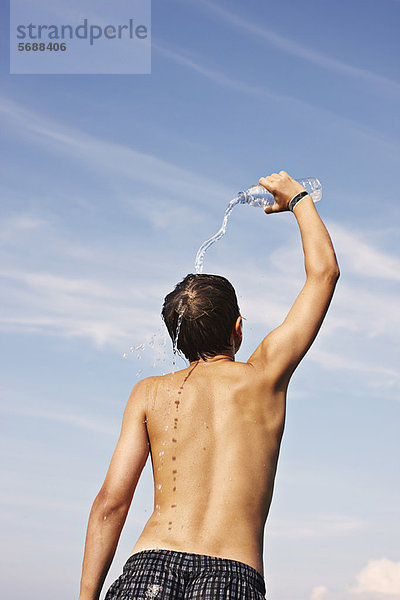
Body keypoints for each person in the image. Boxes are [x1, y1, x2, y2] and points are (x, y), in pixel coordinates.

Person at [79, 171, 340, 600]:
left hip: (148, 570)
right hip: (230, 576)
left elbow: (111, 503)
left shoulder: (149, 392)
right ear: (237, 329)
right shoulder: (264, 377)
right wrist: (298, 199)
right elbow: (324, 274)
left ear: (176, 340)